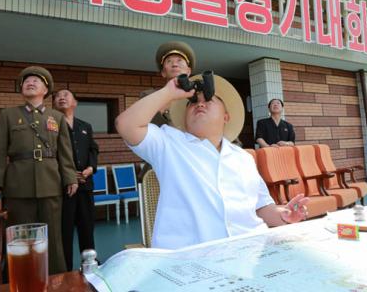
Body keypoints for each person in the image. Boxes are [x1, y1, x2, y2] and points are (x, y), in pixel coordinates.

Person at [115, 73, 309, 250]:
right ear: (184, 117)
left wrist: (284, 214)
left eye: (209, 100)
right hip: (190, 261)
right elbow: (126, 124)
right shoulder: (168, 144)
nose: (199, 104)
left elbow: (262, 207)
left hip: (251, 251)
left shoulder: (243, 158)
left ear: (226, 117)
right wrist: (169, 92)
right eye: (192, 103)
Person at [0, 66, 78, 274]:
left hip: (50, 182)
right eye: (26, 81)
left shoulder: (57, 117)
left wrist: (70, 177)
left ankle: (56, 279)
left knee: (53, 237)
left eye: (37, 80)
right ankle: (23, 279)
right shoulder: (9, 115)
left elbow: (65, 152)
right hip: (18, 184)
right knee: (21, 238)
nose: (30, 82)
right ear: (21, 89)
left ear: (46, 90)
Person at [53, 88, 99, 271]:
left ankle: (90, 266)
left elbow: (93, 149)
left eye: (66, 95)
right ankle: (65, 270)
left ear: (75, 102)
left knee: (87, 227)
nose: (61, 98)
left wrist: (91, 168)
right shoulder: (52, 125)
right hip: (63, 186)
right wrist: (69, 174)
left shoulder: (84, 126)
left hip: (85, 184)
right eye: (57, 96)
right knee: (64, 231)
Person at [140, 41, 195, 126]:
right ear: (163, 72)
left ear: (188, 71)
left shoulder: (197, 96)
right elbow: (143, 124)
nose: (175, 64)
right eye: (169, 61)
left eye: (179, 61)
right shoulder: (149, 95)